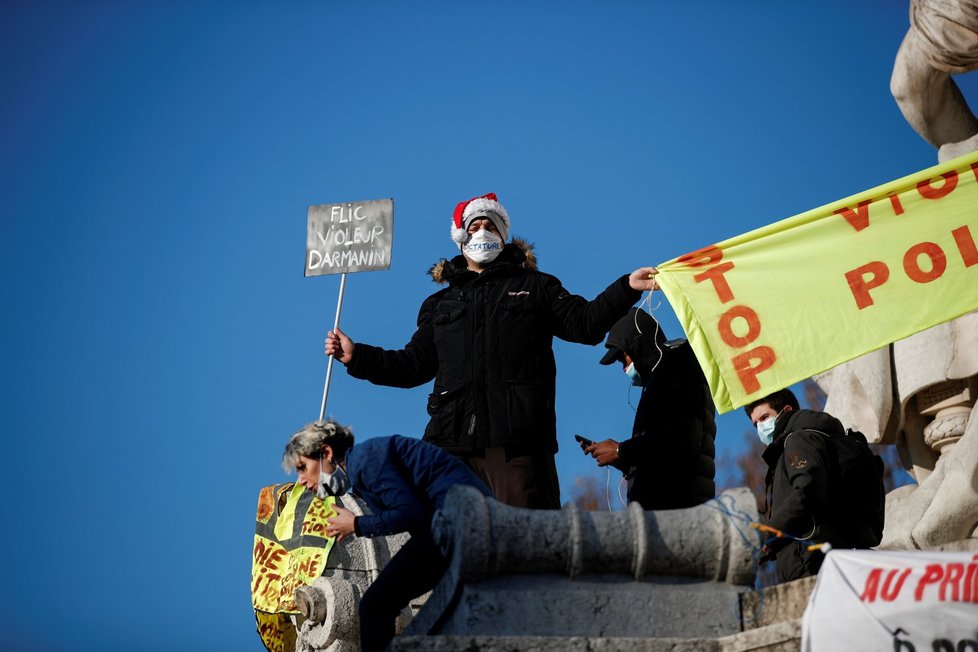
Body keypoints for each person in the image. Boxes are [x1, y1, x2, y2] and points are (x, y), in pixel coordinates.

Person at [325, 192, 658, 509]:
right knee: (444, 542)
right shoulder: (441, 304)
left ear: (504, 236)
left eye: (491, 226)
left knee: (529, 542)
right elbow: (413, 365)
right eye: (474, 226)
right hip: (449, 446)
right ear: (461, 238)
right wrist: (357, 357)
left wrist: (626, 286)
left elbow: (585, 324)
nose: (483, 231)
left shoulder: (536, 286)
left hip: (516, 445)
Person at [282, 421, 492, 652]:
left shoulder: (364, 461)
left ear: (326, 452)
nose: (300, 480)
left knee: (374, 606)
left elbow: (409, 514)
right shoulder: (364, 464)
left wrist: (357, 524)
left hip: (454, 525)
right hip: (459, 527)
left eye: (302, 467)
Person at [584, 308, 716, 509]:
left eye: (623, 359)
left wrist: (621, 450)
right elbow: (663, 451)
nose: (623, 369)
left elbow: (678, 440)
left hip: (676, 512)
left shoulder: (675, 370)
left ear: (637, 346)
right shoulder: (665, 374)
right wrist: (627, 463)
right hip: (670, 509)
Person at [744, 388, 862, 582]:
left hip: (813, 563)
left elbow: (807, 492)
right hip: (811, 559)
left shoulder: (799, 439)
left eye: (764, 417)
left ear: (787, 410)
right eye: (755, 424)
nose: (760, 428)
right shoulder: (795, 442)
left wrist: (767, 536)